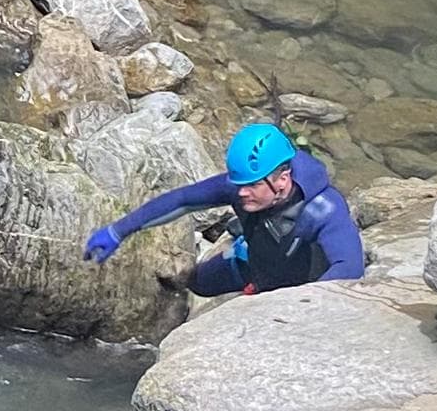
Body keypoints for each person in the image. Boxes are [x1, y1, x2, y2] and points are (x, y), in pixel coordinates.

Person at [84, 117, 366, 297]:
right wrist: (118, 231)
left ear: (282, 180)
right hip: (255, 263)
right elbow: (183, 200)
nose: (241, 193)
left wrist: (297, 307)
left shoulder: (325, 209)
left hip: (299, 284)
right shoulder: (243, 186)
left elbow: (349, 269)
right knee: (197, 284)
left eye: (252, 185)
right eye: (239, 184)